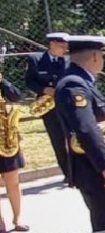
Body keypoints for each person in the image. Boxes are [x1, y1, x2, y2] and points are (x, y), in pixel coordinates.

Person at [55, 35, 105, 232]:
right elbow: (86, 128)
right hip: (95, 170)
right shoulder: (74, 84)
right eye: (102, 56)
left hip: (99, 167)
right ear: (95, 56)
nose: (102, 61)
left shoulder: (82, 81)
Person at [23, 32, 71, 177]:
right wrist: (44, 89)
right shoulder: (36, 59)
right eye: (62, 46)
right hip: (49, 107)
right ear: (52, 44)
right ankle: (67, 174)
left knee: (74, 138)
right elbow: (29, 81)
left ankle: (80, 171)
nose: (65, 49)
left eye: (66, 46)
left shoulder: (69, 60)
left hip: (68, 105)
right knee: (58, 140)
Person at [0, 75, 28, 233]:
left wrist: (2, 81)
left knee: (13, 181)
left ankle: (17, 219)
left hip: (6, 139)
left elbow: (17, 96)